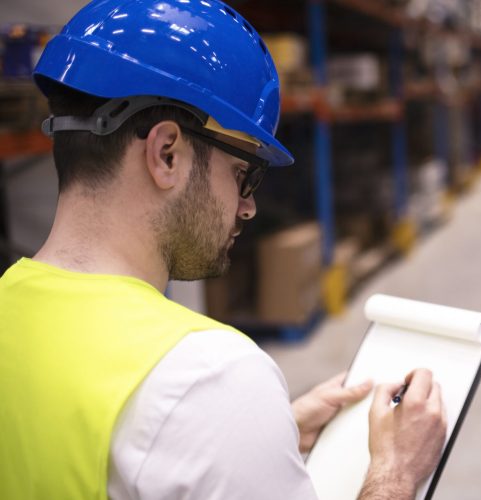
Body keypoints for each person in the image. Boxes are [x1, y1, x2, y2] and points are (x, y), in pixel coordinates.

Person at [0, 1, 446, 499]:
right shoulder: (209, 374)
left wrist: (255, 436)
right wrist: (396, 472)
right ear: (166, 153)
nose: (248, 207)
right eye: (243, 173)